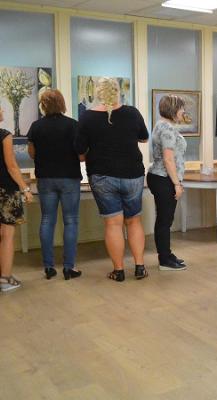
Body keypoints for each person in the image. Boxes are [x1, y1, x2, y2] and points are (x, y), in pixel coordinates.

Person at [75, 77, 149, 282]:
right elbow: (144, 137)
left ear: (98, 93)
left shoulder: (87, 117)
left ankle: (118, 271)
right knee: (134, 221)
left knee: (113, 224)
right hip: (133, 173)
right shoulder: (132, 113)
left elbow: (80, 151)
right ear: (118, 92)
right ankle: (140, 266)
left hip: (102, 175)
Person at [27, 89, 82, 280]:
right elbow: (81, 154)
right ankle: (69, 268)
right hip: (69, 178)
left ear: (43, 105)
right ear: (62, 103)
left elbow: (32, 153)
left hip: (45, 179)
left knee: (47, 220)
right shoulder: (73, 125)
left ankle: (49, 267)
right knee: (71, 220)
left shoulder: (36, 126)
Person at [147, 95, 187, 271]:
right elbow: (168, 159)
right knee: (165, 220)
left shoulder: (160, 125)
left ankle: (167, 254)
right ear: (173, 110)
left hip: (160, 177)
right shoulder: (167, 129)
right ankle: (164, 259)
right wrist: (177, 184)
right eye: (181, 108)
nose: (183, 111)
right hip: (164, 178)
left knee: (165, 219)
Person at [0, 105, 33, 292]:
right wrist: (25, 188)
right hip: (5, 190)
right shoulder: (4, 135)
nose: (3, 112)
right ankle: (5, 279)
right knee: (7, 235)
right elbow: (12, 166)